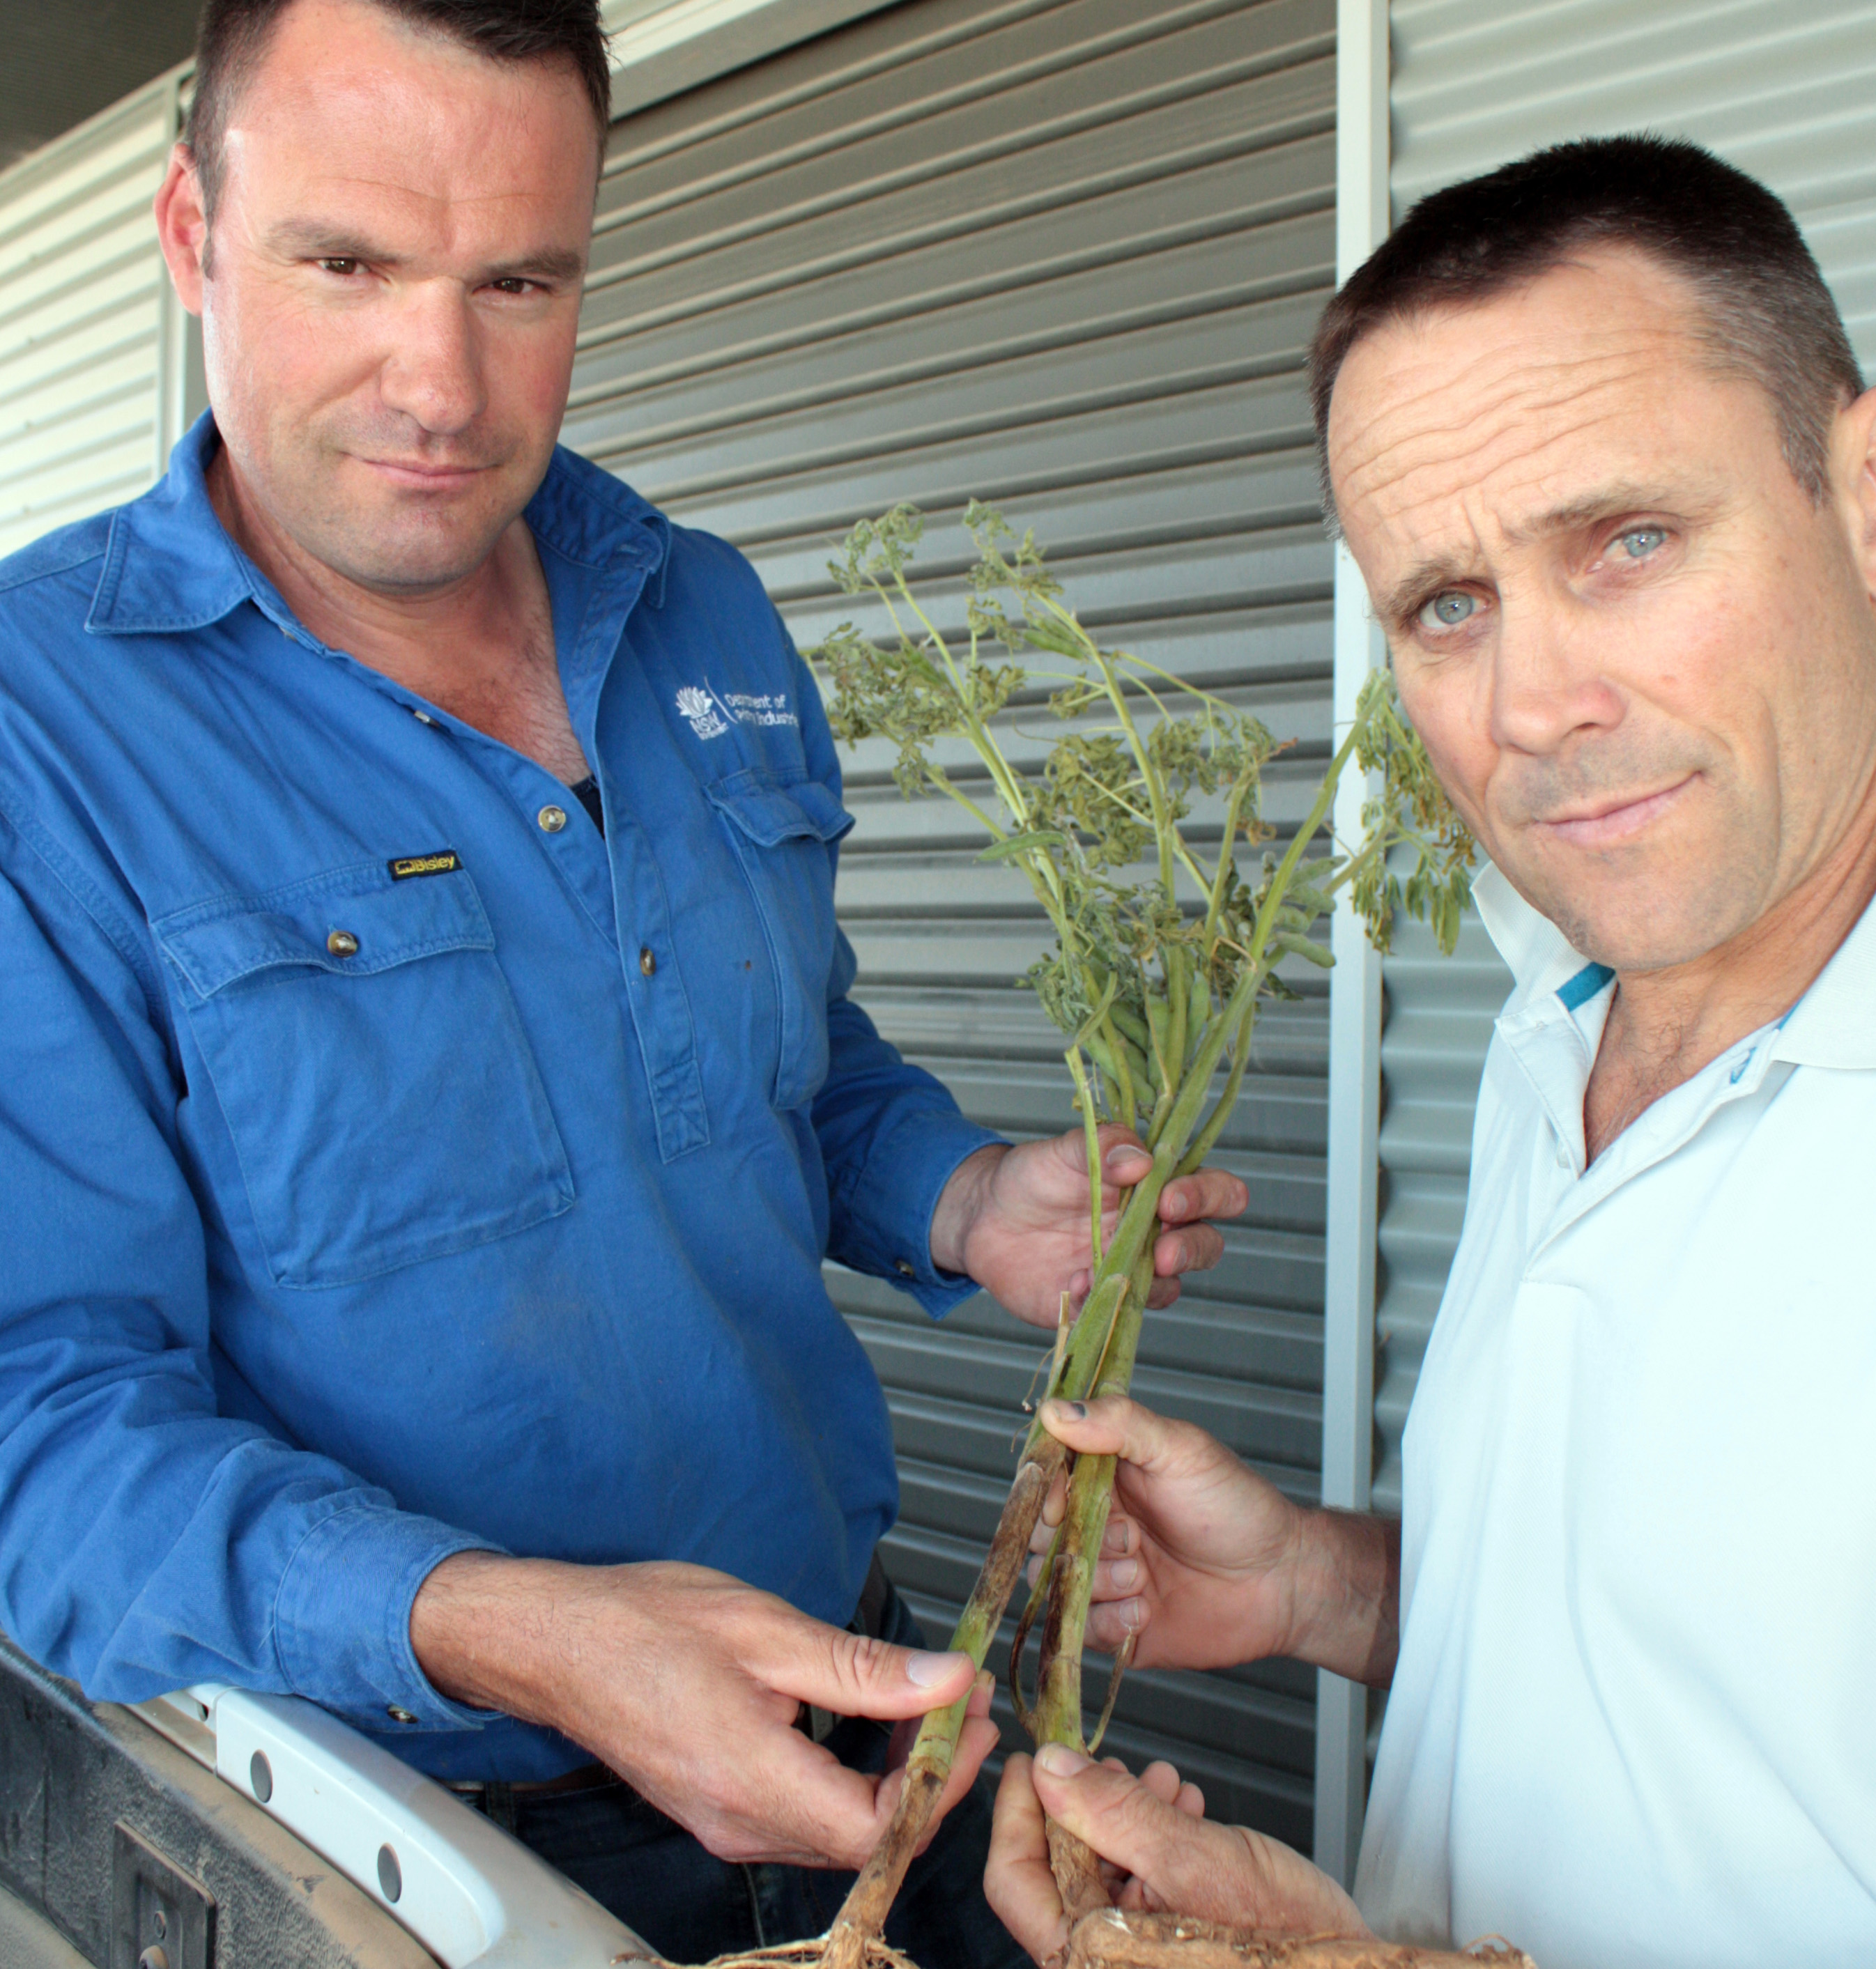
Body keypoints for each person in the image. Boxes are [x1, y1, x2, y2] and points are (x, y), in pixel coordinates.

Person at [0, 2, 1250, 1960]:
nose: (441, 378)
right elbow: (39, 1426)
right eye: (349, 264)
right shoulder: (41, 728)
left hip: (869, 1718)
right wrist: (528, 1632)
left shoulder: (699, 608)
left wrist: (955, 1192)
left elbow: (777, 1058)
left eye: (519, 280)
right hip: (416, 1837)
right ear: (189, 236)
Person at [983, 135, 1876, 1969]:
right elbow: (1719, 1668)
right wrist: (1319, 1581)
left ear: (1875, 497)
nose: (1529, 709)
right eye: (1445, 603)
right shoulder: (1565, 1010)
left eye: (1629, 542)